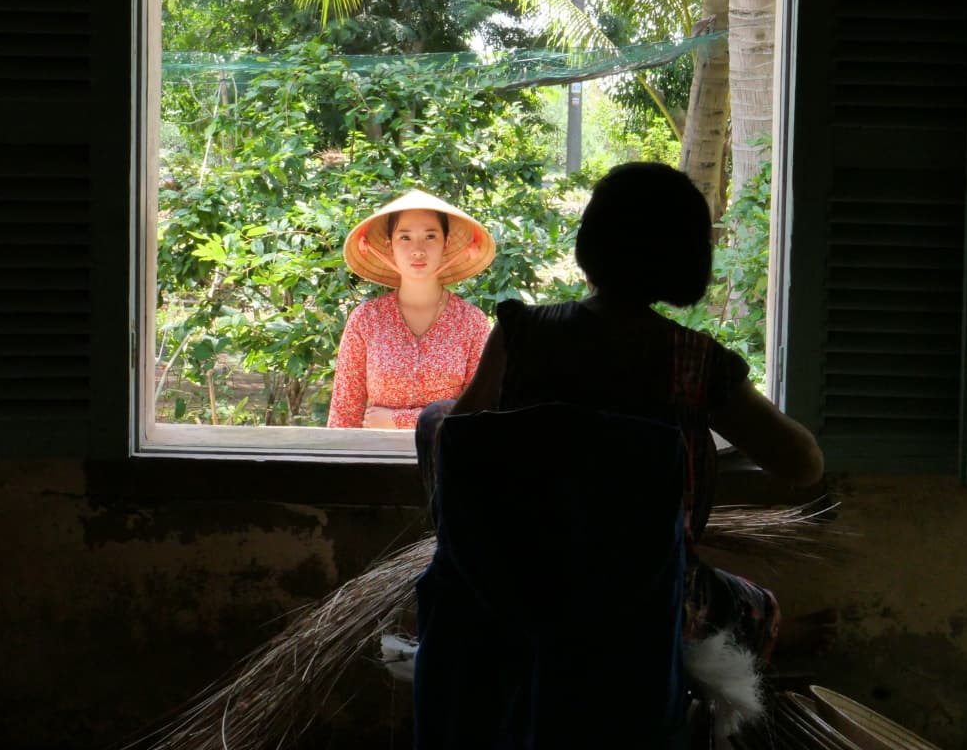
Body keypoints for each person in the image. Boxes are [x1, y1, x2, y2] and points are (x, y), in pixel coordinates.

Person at [427, 162, 824, 666]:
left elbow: (457, 444)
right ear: (686, 258)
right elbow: (805, 464)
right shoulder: (697, 364)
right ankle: (771, 635)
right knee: (742, 601)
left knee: (435, 419)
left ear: (591, 243)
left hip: (519, 585)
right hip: (642, 603)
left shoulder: (521, 336)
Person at [327, 189, 494, 430]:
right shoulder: (366, 319)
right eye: (405, 238)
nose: (418, 249)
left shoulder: (471, 322)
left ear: (446, 244)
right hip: (376, 461)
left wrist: (397, 421)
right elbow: (343, 414)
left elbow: (480, 413)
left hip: (448, 461)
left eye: (430, 236)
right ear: (389, 246)